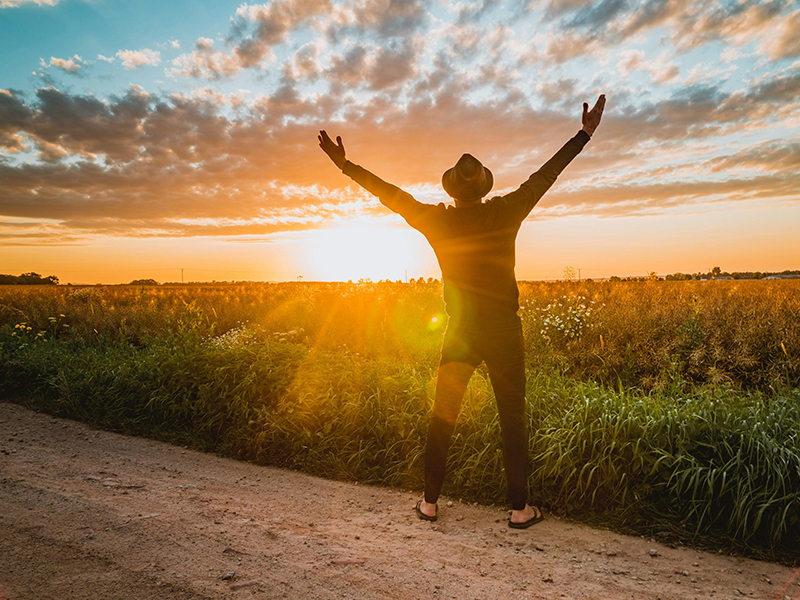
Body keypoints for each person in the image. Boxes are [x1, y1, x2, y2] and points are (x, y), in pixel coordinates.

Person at [318, 94, 606, 528]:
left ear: (451, 190)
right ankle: (519, 510)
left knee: (443, 415)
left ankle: (430, 503)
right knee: (513, 418)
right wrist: (582, 135)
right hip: (504, 331)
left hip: (460, 331)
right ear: (485, 186)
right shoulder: (508, 210)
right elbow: (546, 175)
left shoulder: (437, 221)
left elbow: (390, 195)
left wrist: (345, 166)